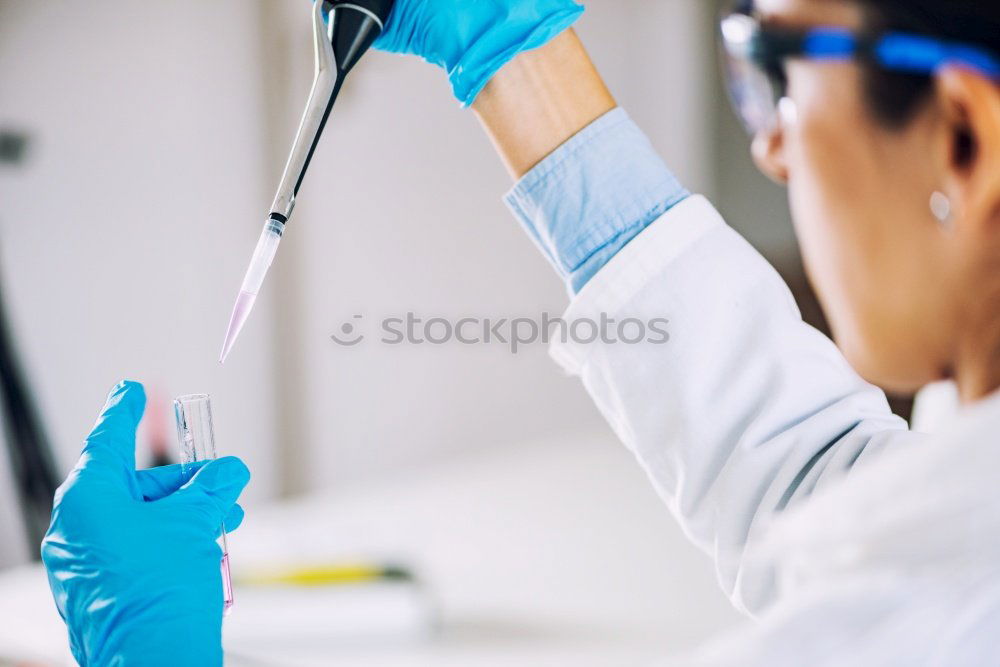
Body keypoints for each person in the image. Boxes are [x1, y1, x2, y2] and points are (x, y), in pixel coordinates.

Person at [41, 0, 1000, 663]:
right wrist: (511, 46)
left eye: (771, 67)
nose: (770, 142)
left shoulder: (935, 620)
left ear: (962, 135)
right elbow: (826, 487)